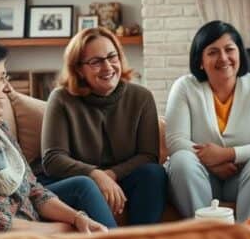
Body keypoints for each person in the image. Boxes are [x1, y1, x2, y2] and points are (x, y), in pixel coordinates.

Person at [0, 36, 113, 233]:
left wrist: (78, 219)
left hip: (37, 230)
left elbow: (34, 190)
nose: (7, 87)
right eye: (1, 78)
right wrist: (63, 229)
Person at [40, 27, 167, 225]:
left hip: (123, 178)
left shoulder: (141, 97)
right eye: (96, 62)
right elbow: (53, 159)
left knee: (153, 173)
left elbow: (148, 155)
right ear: (79, 69)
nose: (107, 66)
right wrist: (95, 174)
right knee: (85, 185)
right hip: (76, 181)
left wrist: (111, 175)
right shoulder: (61, 98)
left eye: (112, 57)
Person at [166, 21, 250, 222]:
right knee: (181, 161)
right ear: (200, 60)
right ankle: (206, 235)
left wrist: (228, 154)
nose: (223, 58)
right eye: (212, 52)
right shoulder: (184, 87)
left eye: (229, 49)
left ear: (240, 54)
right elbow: (176, 141)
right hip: (200, 177)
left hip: (243, 179)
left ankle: (245, 235)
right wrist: (211, 162)